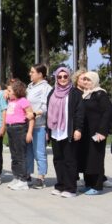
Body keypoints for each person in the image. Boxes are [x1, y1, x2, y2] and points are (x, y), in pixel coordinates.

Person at [47, 66, 84, 198]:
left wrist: (78, 129)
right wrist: (48, 130)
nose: (62, 79)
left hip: (68, 131)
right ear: (56, 78)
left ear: (69, 77)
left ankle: (71, 188)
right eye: (59, 77)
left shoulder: (75, 93)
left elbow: (80, 113)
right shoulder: (52, 92)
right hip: (55, 132)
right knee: (58, 159)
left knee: (70, 160)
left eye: (65, 76)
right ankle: (60, 185)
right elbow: (49, 113)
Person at [75, 71, 112, 195]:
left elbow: (107, 113)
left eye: (88, 80)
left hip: (97, 133)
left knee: (95, 158)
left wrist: (102, 131)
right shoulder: (85, 94)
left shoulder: (100, 94)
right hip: (85, 133)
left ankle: (97, 186)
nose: (85, 82)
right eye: (84, 79)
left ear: (95, 81)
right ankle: (88, 184)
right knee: (86, 158)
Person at [4, 79, 35, 191]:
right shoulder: (11, 101)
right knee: (14, 155)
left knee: (21, 156)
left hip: (20, 129)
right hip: (10, 129)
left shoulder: (23, 101)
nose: (7, 92)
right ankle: (16, 177)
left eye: (9, 90)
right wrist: (5, 92)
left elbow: (31, 117)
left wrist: (29, 132)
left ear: (16, 91)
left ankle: (23, 180)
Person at [26, 63, 52, 189]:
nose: (30, 74)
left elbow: (46, 106)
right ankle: (28, 174)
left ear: (40, 74)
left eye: (32, 72)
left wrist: (35, 113)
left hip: (39, 125)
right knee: (28, 152)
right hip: (27, 124)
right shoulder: (30, 86)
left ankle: (41, 177)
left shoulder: (46, 88)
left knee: (39, 152)